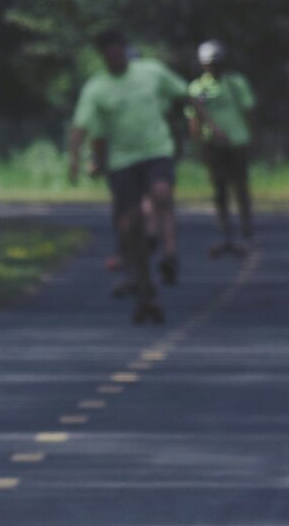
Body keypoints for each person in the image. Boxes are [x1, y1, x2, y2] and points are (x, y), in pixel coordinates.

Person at [66, 27, 207, 321]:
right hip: (122, 162)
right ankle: (144, 286)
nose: (114, 55)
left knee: (162, 194)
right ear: (103, 56)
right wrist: (75, 159)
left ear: (124, 48)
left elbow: (187, 94)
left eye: (118, 48)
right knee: (131, 224)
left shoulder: (151, 72)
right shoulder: (97, 88)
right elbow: (83, 127)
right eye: (108, 51)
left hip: (156, 151)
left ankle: (169, 253)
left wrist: (209, 125)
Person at [187, 40, 257, 256]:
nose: (213, 67)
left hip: (238, 142)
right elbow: (193, 118)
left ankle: (246, 229)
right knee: (219, 188)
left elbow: (249, 109)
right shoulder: (198, 88)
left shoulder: (235, 83)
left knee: (241, 185)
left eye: (216, 63)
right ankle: (225, 229)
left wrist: (250, 136)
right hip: (213, 144)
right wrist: (198, 143)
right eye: (208, 63)